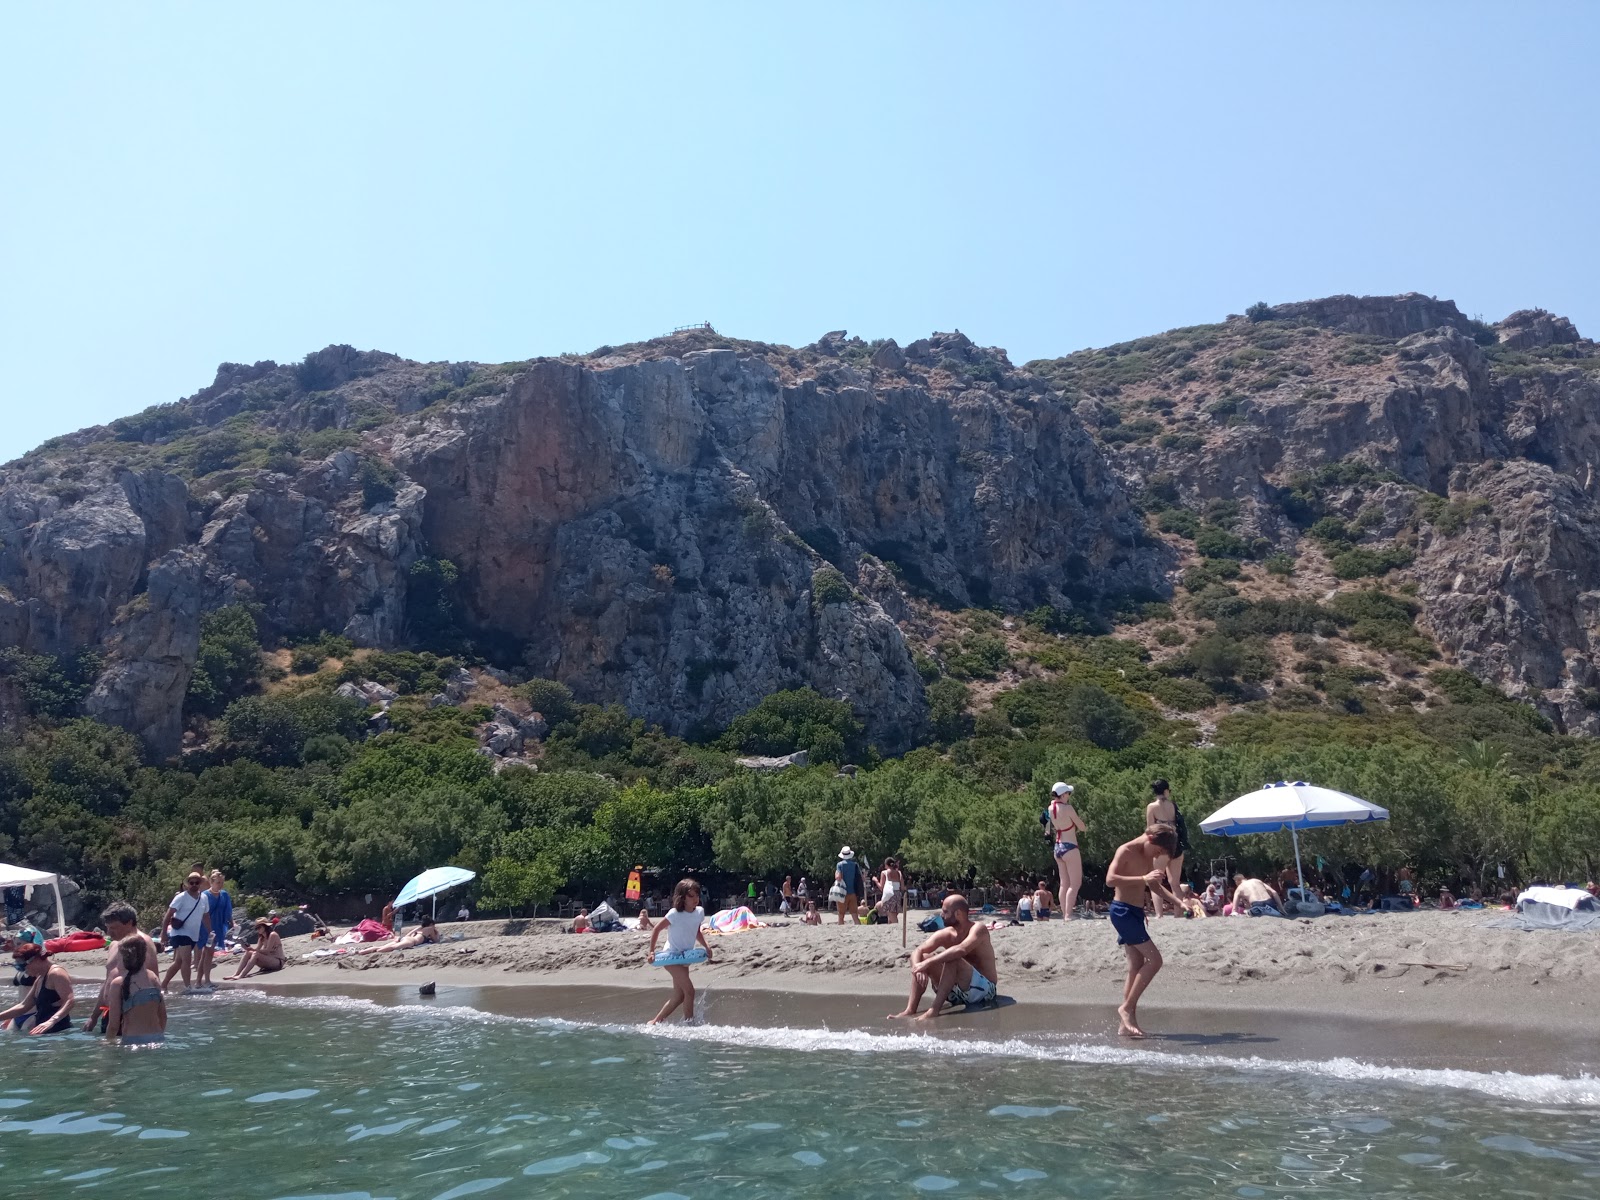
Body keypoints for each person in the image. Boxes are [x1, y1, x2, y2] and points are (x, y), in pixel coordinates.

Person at [1105, 822, 1181, 1038]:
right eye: (1157, 851)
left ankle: (1126, 1025)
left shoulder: (1148, 855)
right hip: (1122, 912)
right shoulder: (1125, 850)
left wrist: (1179, 902)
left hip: (1136, 913)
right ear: (1150, 839)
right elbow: (1110, 880)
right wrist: (1142, 878)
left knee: (1135, 966)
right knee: (1155, 961)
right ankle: (1126, 1008)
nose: (1156, 856)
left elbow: (1155, 886)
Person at [887, 894, 999, 1021]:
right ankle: (910, 1009)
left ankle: (934, 1010)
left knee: (952, 957)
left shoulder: (978, 929)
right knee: (923, 957)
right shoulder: (946, 934)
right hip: (955, 993)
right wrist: (918, 968)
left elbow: (961, 949)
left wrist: (928, 963)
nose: (941, 915)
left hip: (984, 992)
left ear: (958, 914)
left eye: (945, 912)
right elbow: (917, 951)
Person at [84, 901, 159, 1033]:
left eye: (113, 928)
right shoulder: (115, 944)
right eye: (107, 928)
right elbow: (108, 981)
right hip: (109, 1014)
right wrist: (94, 1016)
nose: (109, 933)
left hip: (129, 1017)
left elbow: (152, 985)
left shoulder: (142, 943)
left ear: (129, 923)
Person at [646, 878, 714, 1024]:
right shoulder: (674, 914)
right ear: (682, 897)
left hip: (685, 957)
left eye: (697, 895)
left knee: (679, 996)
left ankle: (655, 1022)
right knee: (689, 991)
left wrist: (706, 946)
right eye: (691, 896)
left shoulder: (699, 912)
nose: (695, 899)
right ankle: (690, 1024)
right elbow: (657, 929)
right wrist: (651, 952)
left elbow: (695, 931)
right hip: (671, 957)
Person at [105, 935, 167, 1046]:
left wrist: (107, 1043)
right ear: (144, 956)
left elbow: (114, 1025)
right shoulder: (153, 978)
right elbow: (163, 1016)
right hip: (158, 1039)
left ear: (123, 958)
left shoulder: (118, 984)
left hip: (132, 1041)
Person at [1, 944, 75, 1035]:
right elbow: (24, 1006)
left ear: (35, 960)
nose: (23, 971)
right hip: (44, 1034)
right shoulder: (40, 978)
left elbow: (69, 1000)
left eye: (23, 966)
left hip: (59, 1034)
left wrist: (51, 1021)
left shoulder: (56, 973)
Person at [159, 872, 213, 991]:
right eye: (191, 882)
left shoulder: (203, 898)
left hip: (193, 934)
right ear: (187, 883)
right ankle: (188, 987)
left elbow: (206, 916)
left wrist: (210, 932)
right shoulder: (181, 897)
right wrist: (163, 932)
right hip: (180, 933)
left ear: (200, 883)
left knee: (178, 962)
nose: (194, 885)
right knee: (187, 960)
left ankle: (163, 984)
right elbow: (169, 914)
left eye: (196, 882)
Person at [1145, 780, 1189, 917]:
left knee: (1156, 882)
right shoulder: (1173, 806)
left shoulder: (1152, 807)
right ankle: (1178, 914)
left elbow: (1150, 830)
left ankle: (1159, 914)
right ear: (1166, 791)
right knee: (1175, 883)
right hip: (1175, 845)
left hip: (1161, 846)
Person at [1046, 782, 1088, 919]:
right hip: (1070, 846)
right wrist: (1084, 827)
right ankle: (1069, 914)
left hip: (1058, 847)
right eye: (1068, 794)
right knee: (1075, 883)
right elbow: (1081, 826)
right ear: (1063, 794)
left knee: (1064, 883)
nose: (1069, 796)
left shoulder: (1051, 808)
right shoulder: (1068, 808)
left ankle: (1065, 913)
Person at [196, 869, 233, 988]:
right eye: (218, 883)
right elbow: (201, 913)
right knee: (209, 952)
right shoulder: (205, 895)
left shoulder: (224, 894)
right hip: (206, 927)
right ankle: (206, 981)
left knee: (206, 954)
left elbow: (228, 911)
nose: (220, 885)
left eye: (222, 883)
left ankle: (198, 982)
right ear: (211, 882)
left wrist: (233, 923)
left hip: (218, 926)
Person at [363, 914, 440, 955]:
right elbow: (436, 940)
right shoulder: (430, 929)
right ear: (431, 924)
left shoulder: (419, 929)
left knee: (381, 946)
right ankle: (379, 951)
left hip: (404, 938)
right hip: (411, 941)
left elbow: (407, 935)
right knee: (392, 948)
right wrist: (437, 933)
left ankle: (360, 952)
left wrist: (418, 928)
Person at [834, 846, 864, 925]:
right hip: (853, 892)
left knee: (841, 915)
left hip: (842, 893)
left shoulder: (840, 865)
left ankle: (840, 930)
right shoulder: (855, 865)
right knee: (854, 915)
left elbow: (838, 877)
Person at [876, 857, 905, 924]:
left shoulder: (884, 873)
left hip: (890, 894)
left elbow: (881, 887)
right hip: (897, 894)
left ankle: (897, 928)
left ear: (886, 864)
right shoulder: (898, 872)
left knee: (891, 914)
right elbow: (902, 887)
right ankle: (891, 928)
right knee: (893, 914)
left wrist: (876, 881)